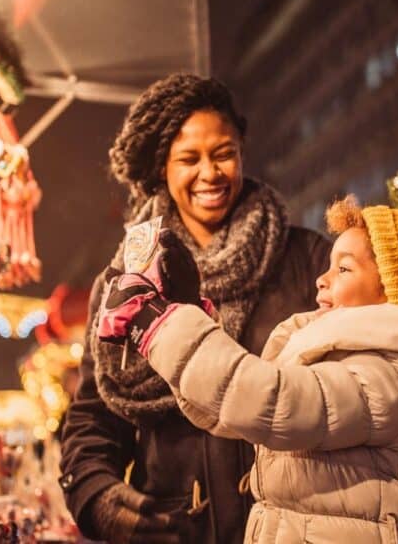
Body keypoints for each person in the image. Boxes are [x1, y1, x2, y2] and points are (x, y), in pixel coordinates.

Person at [94, 197, 398, 543]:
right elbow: (229, 411)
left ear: (397, 292)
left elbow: (274, 402)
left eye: (343, 269)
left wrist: (159, 325)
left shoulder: (396, 372)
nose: (321, 280)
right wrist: (181, 314)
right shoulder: (350, 358)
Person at [58, 74, 330, 544]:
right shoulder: (125, 283)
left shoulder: (307, 261)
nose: (210, 173)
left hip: (295, 527)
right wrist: (97, 498)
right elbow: (92, 420)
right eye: (189, 159)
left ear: (242, 152)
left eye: (223, 153)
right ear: (162, 168)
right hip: (176, 531)